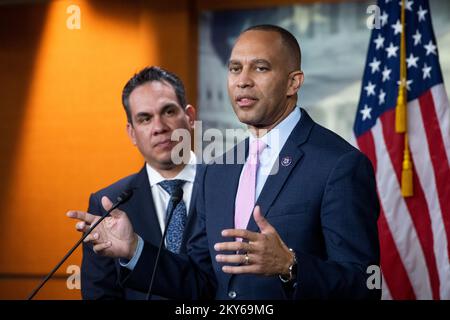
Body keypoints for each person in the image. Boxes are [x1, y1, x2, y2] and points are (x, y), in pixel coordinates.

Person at [68, 25, 380, 299]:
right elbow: (203, 282)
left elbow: (365, 286)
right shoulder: (218, 171)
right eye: (234, 69)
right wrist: (135, 249)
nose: (242, 81)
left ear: (293, 83)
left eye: (260, 68)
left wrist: (290, 265)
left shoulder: (339, 164)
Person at [78, 66, 199, 299]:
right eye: (145, 119)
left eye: (169, 112)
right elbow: (100, 295)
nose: (159, 128)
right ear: (132, 133)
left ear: (190, 117)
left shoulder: (230, 188)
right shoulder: (108, 204)